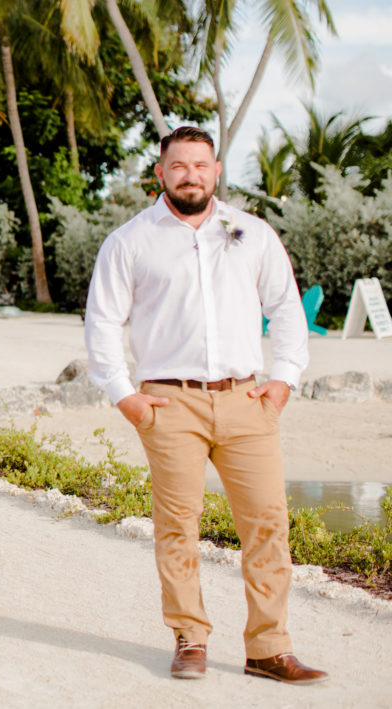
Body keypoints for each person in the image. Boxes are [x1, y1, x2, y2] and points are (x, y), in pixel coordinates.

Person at [84, 126, 327, 684]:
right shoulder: (130, 241)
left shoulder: (252, 232)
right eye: (178, 166)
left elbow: (286, 308)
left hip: (246, 399)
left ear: (216, 171)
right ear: (160, 174)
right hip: (168, 404)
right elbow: (102, 321)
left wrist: (284, 380)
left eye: (200, 165)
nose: (190, 174)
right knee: (178, 524)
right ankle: (189, 638)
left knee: (267, 521)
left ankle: (268, 648)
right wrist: (125, 397)